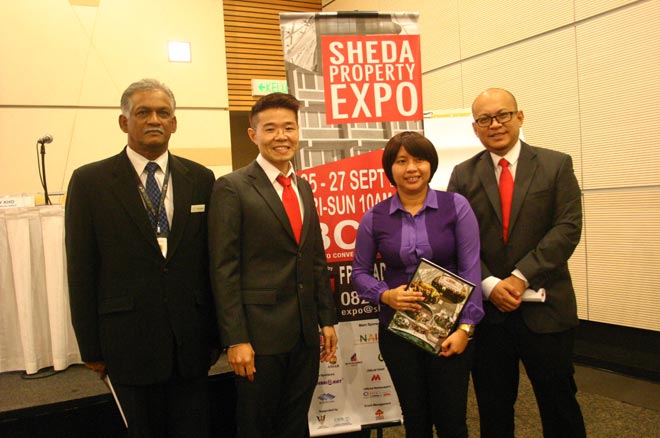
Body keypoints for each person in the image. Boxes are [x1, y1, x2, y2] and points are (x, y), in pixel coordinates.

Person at [65, 78, 218, 437]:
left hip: (191, 343)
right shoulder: (90, 181)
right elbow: (80, 269)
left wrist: (215, 335)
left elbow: (209, 262)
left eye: (163, 113)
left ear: (174, 123)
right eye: (143, 112)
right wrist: (90, 346)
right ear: (124, 122)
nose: (154, 120)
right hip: (126, 342)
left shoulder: (200, 178)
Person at [447, 88, 586, 437]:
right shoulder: (463, 175)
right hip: (489, 313)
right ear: (476, 129)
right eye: (484, 119)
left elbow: (567, 228)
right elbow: (457, 241)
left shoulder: (556, 164)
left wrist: (522, 276)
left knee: (559, 405)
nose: (494, 124)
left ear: (519, 117)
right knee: (493, 408)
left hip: (546, 308)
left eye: (502, 115)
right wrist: (490, 284)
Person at [208, 92, 338, 438]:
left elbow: (313, 258)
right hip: (259, 337)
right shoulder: (232, 187)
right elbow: (224, 269)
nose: (281, 136)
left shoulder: (304, 187)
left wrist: (326, 319)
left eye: (289, 128)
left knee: (295, 423)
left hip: (304, 334)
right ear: (254, 135)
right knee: (256, 425)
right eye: (271, 129)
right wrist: (236, 339)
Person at [352, 131, 484, 437]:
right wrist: (385, 295)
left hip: (449, 332)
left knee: (452, 422)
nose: (411, 168)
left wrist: (466, 328)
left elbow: (471, 269)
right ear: (390, 169)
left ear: (431, 165)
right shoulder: (375, 217)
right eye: (401, 161)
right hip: (399, 333)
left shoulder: (456, 206)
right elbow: (359, 272)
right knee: (416, 421)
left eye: (419, 159)